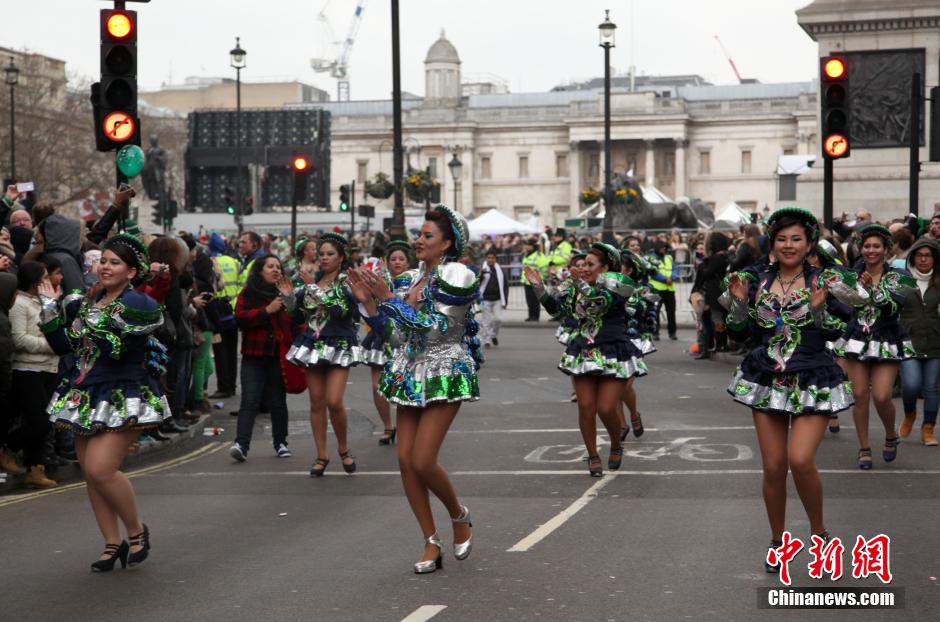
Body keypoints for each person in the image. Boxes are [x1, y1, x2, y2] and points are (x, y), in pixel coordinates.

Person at [722, 207, 861, 573]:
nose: (788, 245)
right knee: (773, 467)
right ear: (772, 242)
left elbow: (838, 329)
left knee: (800, 460)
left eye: (796, 239)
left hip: (813, 375)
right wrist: (737, 302)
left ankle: (819, 535)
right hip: (767, 376)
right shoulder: (753, 279)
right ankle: (778, 540)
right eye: (782, 238)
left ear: (810, 243)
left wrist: (817, 310)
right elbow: (736, 332)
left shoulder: (826, 280)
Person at [348, 205, 481, 574]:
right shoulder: (408, 280)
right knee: (405, 461)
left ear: (447, 243)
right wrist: (369, 304)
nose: (418, 241)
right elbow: (395, 335)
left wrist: (387, 300)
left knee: (423, 459)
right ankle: (430, 540)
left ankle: (459, 515)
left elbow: (436, 329)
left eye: (427, 236)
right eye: (418, 234)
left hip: (444, 368)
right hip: (408, 369)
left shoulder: (457, 275)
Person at [38, 233, 170, 571]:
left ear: (132, 271)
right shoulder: (84, 302)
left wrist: (88, 318)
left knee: (101, 468)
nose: (106, 267)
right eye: (104, 260)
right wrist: (51, 309)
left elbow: (117, 348)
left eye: (115, 262)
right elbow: (66, 347)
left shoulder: (139, 304)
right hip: (84, 393)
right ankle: (112, 542)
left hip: (124, 393)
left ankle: (137, 531)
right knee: (91, 474)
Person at [527, 242, 642, 477]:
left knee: (607, 407)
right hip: (584, 350)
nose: (584, 268)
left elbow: (599, 302)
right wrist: (539, 287)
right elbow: (557, 311)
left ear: (606, 267)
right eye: (582, 265)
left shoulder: (619, 285)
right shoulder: (574, 287)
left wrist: (578, 283)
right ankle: (592, 455)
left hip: (613, 349)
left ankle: (617, 444)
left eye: (590, 264)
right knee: (586, 406)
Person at [834, 224, 916, 469]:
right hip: (857, 339)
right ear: (861, 248)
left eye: (876, 246)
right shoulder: (850, 275)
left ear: (886, 249)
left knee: (881, 396)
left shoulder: (899, 276)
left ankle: (891, 434)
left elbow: (893, 308)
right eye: (867, 246)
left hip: (886, 339)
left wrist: (871, 290)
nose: (871, 251)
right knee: (859, 395)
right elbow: (842, 307)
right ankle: (864, 447)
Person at [286, 232, 362, 476]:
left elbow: (340, 311)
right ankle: (321, 454)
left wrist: (311, 287)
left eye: (330, 254)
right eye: (322, 254)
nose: (325, 258)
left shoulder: (346, 282)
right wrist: (288, 297)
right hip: (313, 344)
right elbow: (298, 317)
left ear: (341, 258)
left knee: (334, 401)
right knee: (316, 402)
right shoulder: (311, 281)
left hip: (339, 343)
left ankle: (344, 448)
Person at [229, 254, 295, 461]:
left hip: (277, 355)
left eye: (278, 267)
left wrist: (290, 301)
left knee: (277, 402)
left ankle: (281, 443)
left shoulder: (284, 294)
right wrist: (266, 311)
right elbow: (239, 319)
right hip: (253, 355)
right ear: (259, 271)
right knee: (249, 400)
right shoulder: (248, 294)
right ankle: (241, 444)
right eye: (270, 266)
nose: (276, 270)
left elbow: (295, 321)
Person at [7, 262, 60, 488]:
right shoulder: (19, 304)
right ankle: (8, 447)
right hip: (28, 368)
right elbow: (18, 339)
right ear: (35, 280)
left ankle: (35, 468)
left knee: (47, 423)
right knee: (40, 422)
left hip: (49, 368)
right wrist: (49, 345)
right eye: (46, 277)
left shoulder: (43, 301)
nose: (50, 280)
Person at [360, 240, 413, 446]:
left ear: (408, 263)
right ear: (388, 263)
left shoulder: (414, 282)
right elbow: (370, 302)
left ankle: (406, 425)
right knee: (377, 386)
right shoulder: (379, 280)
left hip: (404, 338)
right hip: (381, 335)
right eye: (393, 259)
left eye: (401, 259)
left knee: (402, 383)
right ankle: (388, 426)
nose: (397, 262)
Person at [897, 238, 940, 446]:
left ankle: (928, 429)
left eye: (928, 255)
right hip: (908, 341)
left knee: (932, 387)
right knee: (911, 384)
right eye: (920, 255)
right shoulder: (902, 280)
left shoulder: (939, 282)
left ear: (934, 259)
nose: (923, 259)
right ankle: (910, 413)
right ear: (913, 257)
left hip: (935, 342)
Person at [208, 233, 239, 399]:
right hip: (233, 310)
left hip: (217, 310)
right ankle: (232, 385)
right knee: (232, 351)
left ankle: (224, 386)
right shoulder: (234, 262)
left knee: (220, 350)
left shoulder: (211, 262)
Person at [648, 239, 678, 340]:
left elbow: (675, 269)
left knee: (671, 312)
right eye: (662, 248)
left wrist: (672, 278)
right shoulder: (651, 258)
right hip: (657, 289)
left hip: (669, 289)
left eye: (665, 247)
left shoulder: (669, 257)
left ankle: (672, 333)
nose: (664, 249)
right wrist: (665, 279)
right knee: (655, 312)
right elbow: (653, 273)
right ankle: (655, 333)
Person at [479, 250, 508, 347]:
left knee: (498, 319)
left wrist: (505, 301)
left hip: (497, 299)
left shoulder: (500, 271)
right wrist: (481, 275)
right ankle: (487, 341)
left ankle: (493, 335)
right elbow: (477, 284)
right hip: (485, 299)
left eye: (493, 258)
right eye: (489, 258)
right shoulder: (482, 270)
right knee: (486, 321)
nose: (490, 260)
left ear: (495, 259)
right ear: (486, 259)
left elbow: (505, 287)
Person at [521, 238, 549, 321]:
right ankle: (531, 316)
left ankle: (535, 317)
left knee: (535, 301)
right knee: (529, 301)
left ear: (532, 246)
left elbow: (544, 268)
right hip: (527, 282)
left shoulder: (538, 255)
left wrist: (541, 279)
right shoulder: (527, 254)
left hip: (535, 282)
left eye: (528, 245)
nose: (526, 246)